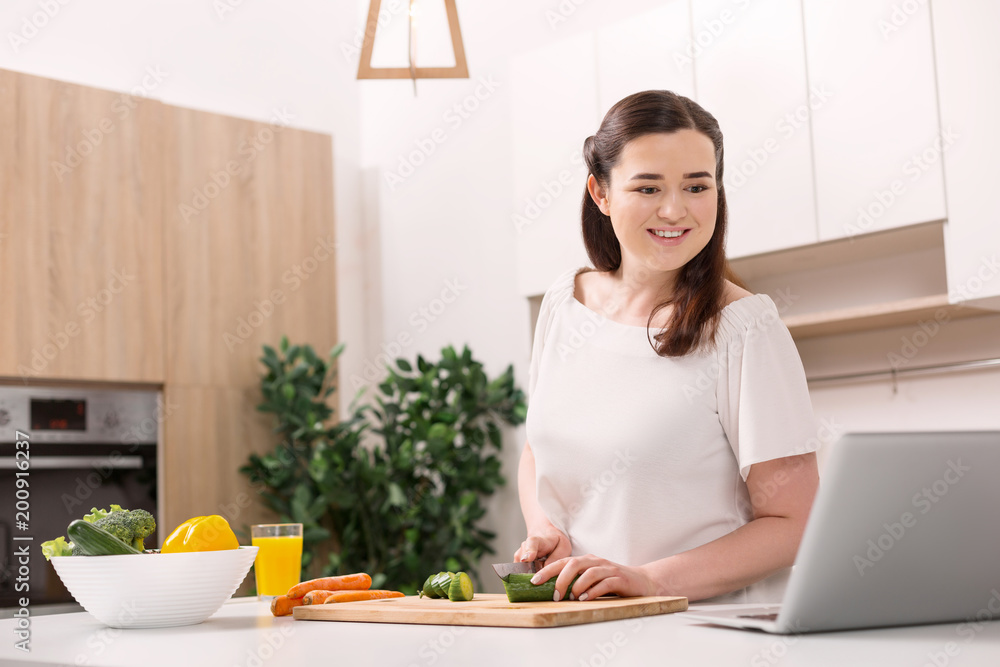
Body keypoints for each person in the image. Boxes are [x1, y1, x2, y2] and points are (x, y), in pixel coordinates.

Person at [515, 90, 820, 604]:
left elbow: (796, 519)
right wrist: (548, 529)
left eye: (697, 186)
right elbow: (535, 451)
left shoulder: (744, 328)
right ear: (601, 193)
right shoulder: (563, 304)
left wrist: (652, 581)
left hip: (702, 637)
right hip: (572, 626)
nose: (675, 209)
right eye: (649, 187)